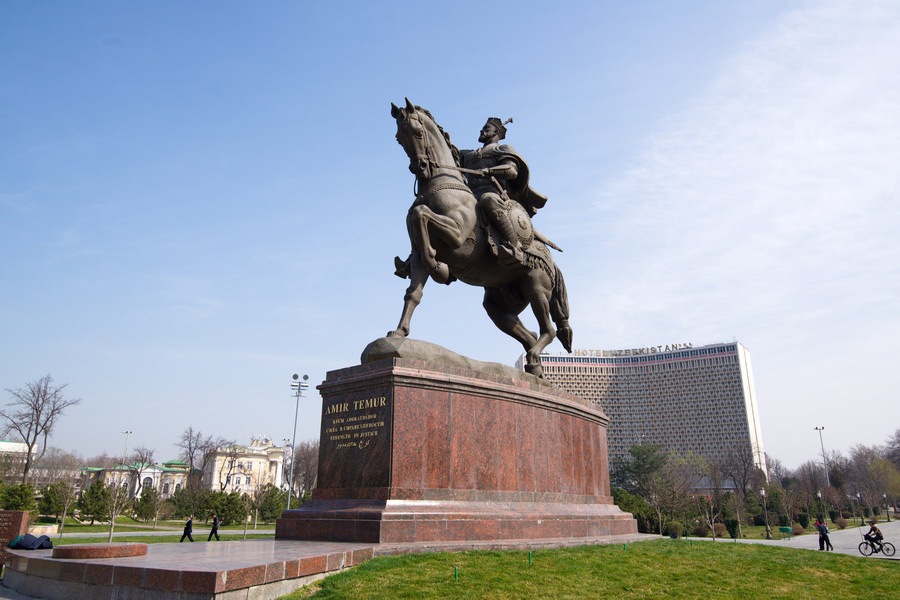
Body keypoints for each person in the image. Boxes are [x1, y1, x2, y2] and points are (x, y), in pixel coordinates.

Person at [459, 117, 549, 267]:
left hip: (491, 192)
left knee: (488, 200)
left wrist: (489, 171)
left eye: (486, 128)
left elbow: (511, 170)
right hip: (469, 195)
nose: (481, 130)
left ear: (496, 132)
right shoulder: (469, 154)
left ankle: (513, 246)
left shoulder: (502, 149)